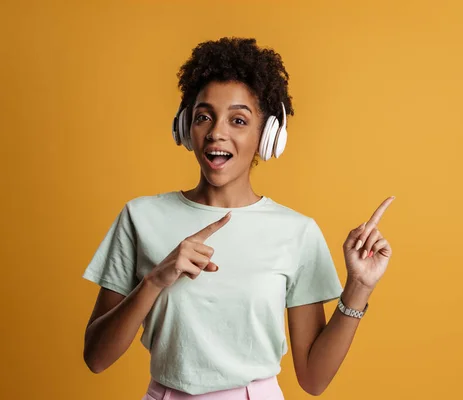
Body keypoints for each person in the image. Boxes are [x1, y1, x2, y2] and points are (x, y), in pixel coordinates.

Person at [82, 37, 394, 400]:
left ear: (267, 135)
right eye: (203, 117)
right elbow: (96, 358)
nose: (217, 132)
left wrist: (360, 287)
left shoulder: (297, 232)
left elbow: (313, 379)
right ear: (185, 128)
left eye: (239, 120)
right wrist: (154, 280)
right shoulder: (140, 217)